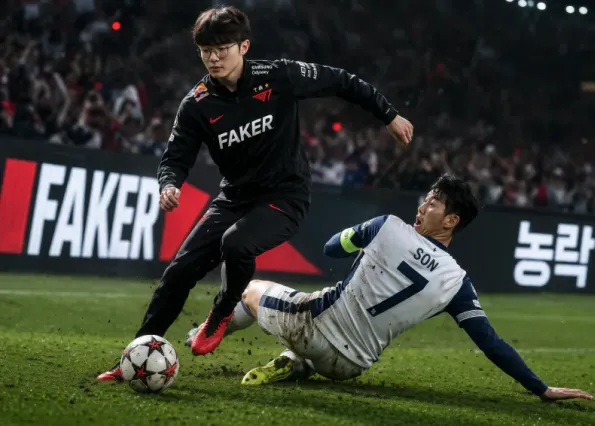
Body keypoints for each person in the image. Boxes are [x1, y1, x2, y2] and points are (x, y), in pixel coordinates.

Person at [97, 6, 413, 381]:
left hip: (286, 195)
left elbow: (342, 81)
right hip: (234, 198)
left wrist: (389, 115)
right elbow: (175, 157)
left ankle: (222, 311)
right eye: (205, 50)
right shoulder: (196, 104)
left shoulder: (279, 75)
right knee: (178, 272)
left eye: (222, 49)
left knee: (236, 244)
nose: (213, 58)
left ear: (244, 46)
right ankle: (131, 359)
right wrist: (169, 184)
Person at [187, 174, 594, 402]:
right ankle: (294, 363)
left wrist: (356, 238)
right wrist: (541, 388)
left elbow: (332, 248)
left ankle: (199, 334)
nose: (422, 206)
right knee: (320, 337)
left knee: (250, 289)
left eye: (432, 203)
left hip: (313, 326)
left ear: (451, 220)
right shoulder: (456, 281)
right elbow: (491, 343)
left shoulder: (387, 226)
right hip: (351, 366)